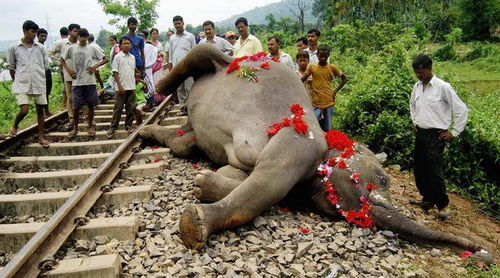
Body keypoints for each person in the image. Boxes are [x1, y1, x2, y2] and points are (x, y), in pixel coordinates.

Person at [409, 54, 468, 220]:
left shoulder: (443, 87)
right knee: (420, 169)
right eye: (416, 73)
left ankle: (443, 205)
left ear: (429, 68)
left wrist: (454, 132)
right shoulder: (417, 87)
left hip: (437, 135)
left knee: (434, 171)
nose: (419, 75)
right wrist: (415, 121)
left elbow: (461, 110)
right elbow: (412, 105)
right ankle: (427, 200)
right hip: (421, 133)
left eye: (421, 72)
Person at [2, 20, 50, 147]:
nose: (34, 34)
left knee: (40, 111)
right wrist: (16, 80)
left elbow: (46, 66)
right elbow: (11, 67)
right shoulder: (14, 48)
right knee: (24, 110)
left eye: (35, 32)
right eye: (32, 32)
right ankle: (14, 127)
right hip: (22, 84)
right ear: (25, 31)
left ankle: (41, 137)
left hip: (39, 82)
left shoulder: (41, 48)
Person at [60, 28, 108, 139]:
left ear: (87, 38)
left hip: (90, 82)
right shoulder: (72, 48)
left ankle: (90, 126)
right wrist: (69, 71)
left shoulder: (92, 48)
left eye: (85, 37)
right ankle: (75, 128)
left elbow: (105, 59)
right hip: (77, 83)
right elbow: (62, 60)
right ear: (78, 37)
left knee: (91, 105)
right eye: (81, 37)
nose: (83, 39)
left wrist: (94, 67)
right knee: (76, 107)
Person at [300, 45, 348, 131]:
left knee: (327, 129)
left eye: (325, 56)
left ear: (328, 55)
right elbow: (302, 79)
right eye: (320, 56)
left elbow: (344, 78)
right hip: (315, 102)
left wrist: (335, 91)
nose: (323, 58)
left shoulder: (332, 67)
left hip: (328, 101)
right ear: (317, 55)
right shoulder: (312, 67)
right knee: (314, 128)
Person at [50, 23, 80, 130]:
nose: (77, 33)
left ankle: (83, 115)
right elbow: (50, 53)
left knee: (81, 95)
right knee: (70, 96)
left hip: (81, 74)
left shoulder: (80, 42)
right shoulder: (62, 43)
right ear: (69, 32)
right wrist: (59, 64)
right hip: (68, 73)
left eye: (78, 31)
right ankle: (71, 117)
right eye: (75, 31)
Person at [107, 36, 137, 139]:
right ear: (120, 46)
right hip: (121, 88)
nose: (127, 45)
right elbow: (115, 72)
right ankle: (113, 127)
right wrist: (119, 86)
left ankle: (128, 126)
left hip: (131, 86)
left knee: (130, 108)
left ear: (131, 45)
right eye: (124, 44)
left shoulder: (132, 57)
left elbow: (132, 72)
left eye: (128, 43)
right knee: (118, 108)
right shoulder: (118, 57)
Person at [168, 15, 195, 105]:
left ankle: (190, 107)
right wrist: (170, 68)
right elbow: (170, 55)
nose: (177, 26)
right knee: (180, 88)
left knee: (189, 87)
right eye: (175, 24)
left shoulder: (190, 36)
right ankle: (182, 107)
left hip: (188, 67)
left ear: (183, 23)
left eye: (179, 23)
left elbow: (194, 51)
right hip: (176, 67)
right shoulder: (172, 38)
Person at [138, 30, 158, 111]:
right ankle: (145, 103)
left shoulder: (150, 47)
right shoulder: (136, 47)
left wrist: (146, 66)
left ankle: (151, 103)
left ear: (145, 38)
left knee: (149, 85)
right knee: (141, 86)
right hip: (139, 70)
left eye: (142, 37)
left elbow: (154, 58)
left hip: (147, 69)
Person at [51, 27, 69, 109]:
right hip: (71, 66)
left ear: (60, 34)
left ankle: (65, 104)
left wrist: (59, 63)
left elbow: (49, 53)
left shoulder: (58, 42)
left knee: (66, 84)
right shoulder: (72, 41)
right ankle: (66, 104)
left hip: (63, 67)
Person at [37, 28, 52, 117]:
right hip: (41, 72)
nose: (44, 37)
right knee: (43, 92)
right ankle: (44, 111)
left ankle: (46, 110)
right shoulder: (36, 47)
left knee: (47, 91)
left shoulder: (44, 47)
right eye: (42, 36)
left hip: (47, 71)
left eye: (45, 36)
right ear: (38, 36)